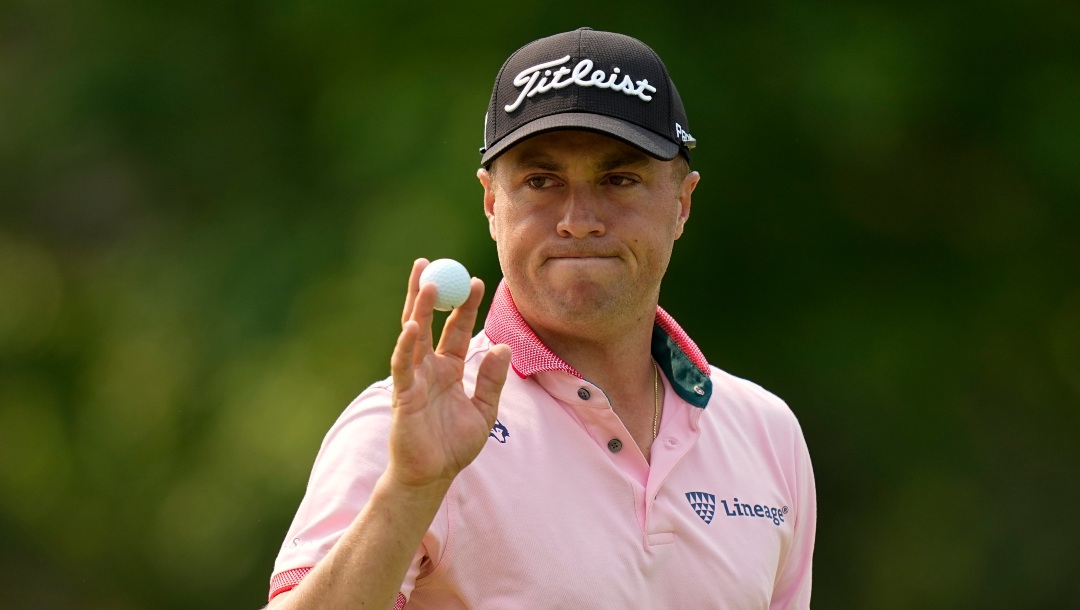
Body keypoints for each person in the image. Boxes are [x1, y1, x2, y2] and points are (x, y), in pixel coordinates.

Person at [266, 27, 816, 609]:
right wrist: (409, 491)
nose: (579, 220)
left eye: (619, 179)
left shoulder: (766, 433)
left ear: (681, 203)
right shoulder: (403, 428)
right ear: (491, 204)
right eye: (540, 181)